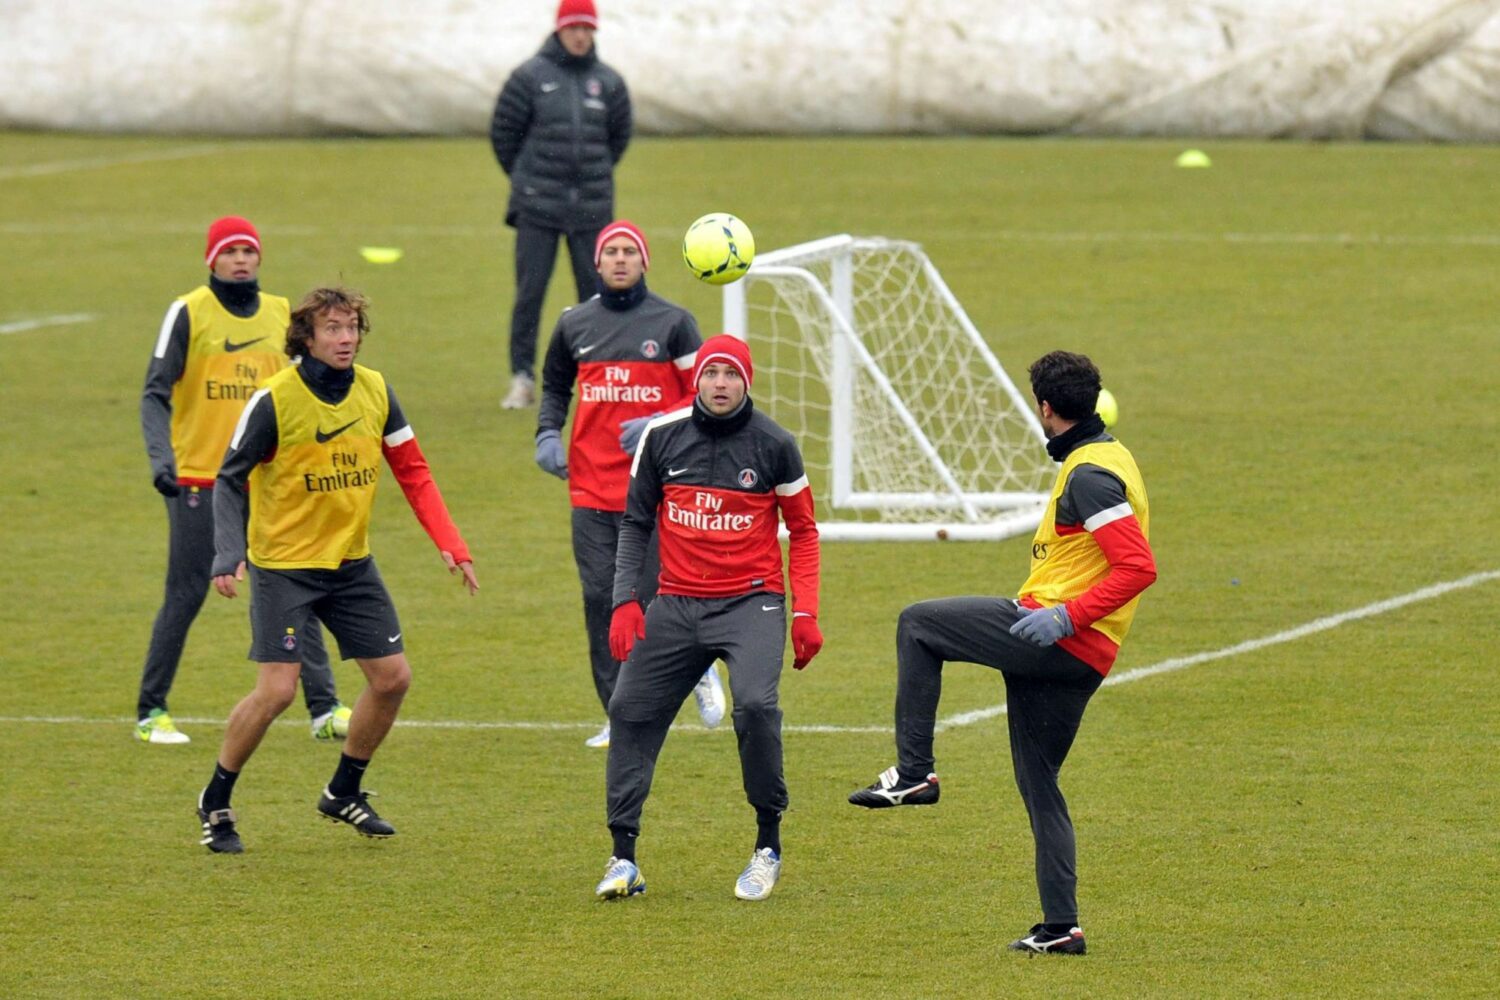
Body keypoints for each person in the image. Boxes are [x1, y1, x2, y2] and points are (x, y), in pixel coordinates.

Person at [847, 350, 1157, 955]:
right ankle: (1060, 928)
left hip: (1056, 636)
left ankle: (914, 775)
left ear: (1045, 408)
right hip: (1088, 655)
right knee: (1040, 784)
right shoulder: (1110, 457)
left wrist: (1065, 617)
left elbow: (1139, 566)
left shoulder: (1090, 475)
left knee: (918, 626)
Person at [196, 286, 478, 854]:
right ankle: (216, 800)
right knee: (276, 691)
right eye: (332, 328)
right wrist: (228, 552)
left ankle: (343, 790)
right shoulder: (277, 400)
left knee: (393, 679)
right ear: (307, 337)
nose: (345, 338)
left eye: (351, 327)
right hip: (285, 569)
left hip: (350, 564)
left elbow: (413, 469)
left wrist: (451, 542)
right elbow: (229, 477)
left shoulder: (375, 390)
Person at [594, 334, 824, 903]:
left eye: (731, 375)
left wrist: (806, 612)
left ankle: (767, 846)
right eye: (711, 374)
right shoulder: (663, 440)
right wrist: (626, 599)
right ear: (696, 380)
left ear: (747, 382)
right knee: (627, 709)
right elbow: (635, 524)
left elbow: (804, 531)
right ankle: (623, 857)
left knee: (755, 705)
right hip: (675, 603)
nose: (720, 384)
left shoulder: (776, 445)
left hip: (752, 601)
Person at [136, 216, 350, 746]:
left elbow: (309, 386)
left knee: (298, 589)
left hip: (271, 482)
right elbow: (154, 392)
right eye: (229, 251)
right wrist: (162, 458)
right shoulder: (188, 312)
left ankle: (323, 708)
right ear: (212, 259)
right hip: (201, 479)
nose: (240, 259)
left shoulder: (282, 314)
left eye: (248, 250)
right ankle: (151, 711)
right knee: (186, 593)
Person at [534, 220, 724, 748]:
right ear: (597, 263)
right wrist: (548, 433)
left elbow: (705, 396)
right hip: (590, 490)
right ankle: (618, 715)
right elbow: (554, 385)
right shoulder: (575, 324)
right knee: (601, 599)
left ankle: (699, 669)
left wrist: (658, 422)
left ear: (645, 262)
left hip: (658, 489)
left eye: (629, 252)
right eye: (611, 252)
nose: (620, 260)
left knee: (658, 598)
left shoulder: (674, 324)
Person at [491, 0, 632, 410]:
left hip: (591, 207)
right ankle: (522, 378)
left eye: (587, 28)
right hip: (538, 207)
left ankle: (597, 376)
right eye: (574, 28)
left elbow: (617, 139)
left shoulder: (608, 83)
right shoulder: (528, 77)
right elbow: (504, 134)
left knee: (597, 296)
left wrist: (590, 179)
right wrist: (528, 181)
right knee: (530, 294)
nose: (580, 35)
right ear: (559, 30)